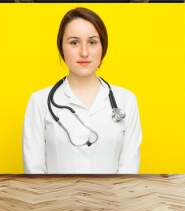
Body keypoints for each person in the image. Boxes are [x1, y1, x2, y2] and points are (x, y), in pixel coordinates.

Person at [22, 7, 142, 174]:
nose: (84, 52)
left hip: (111, 199)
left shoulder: (127, 100)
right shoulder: (39, 102)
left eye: (92, 42)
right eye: (74, 42)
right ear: (61, 48)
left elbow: (129, 167)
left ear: (103, 47)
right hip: (56, 198)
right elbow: (34, 169)